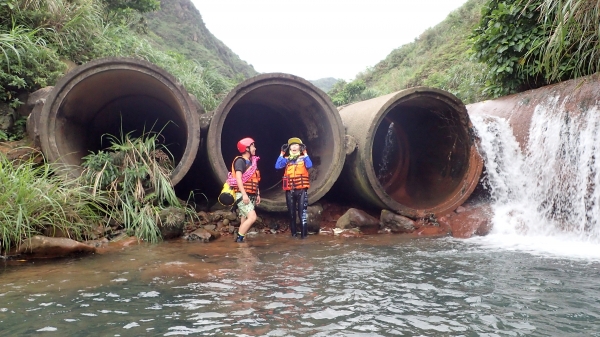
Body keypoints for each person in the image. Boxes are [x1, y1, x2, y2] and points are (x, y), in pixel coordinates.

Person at [275, 137, 313, 238]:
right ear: (290, 148)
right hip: (290, 191)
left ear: (300, 148)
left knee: (302, 216)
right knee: (292, 216)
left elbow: (309, 165)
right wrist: (282, 153)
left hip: (301, 191)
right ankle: (293, 236)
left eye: (296, 145)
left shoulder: (304, 159)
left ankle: (304, 238)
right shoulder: (286, 160)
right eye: (292, 145)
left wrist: (305, 153)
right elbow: (277, 166)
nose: (294, 147)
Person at [228, 137, 261, 242]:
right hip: (242, 195)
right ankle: (239, 239)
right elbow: (238, 178)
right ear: (246, 148)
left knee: (244, 219)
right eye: (253, 146)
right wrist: (244, 194)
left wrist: (258, 194)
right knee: (252, 217)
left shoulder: (252, 163)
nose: (255, 148)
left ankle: (242, 246)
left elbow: (255, 180)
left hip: (251, 194)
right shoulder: (240, 161)